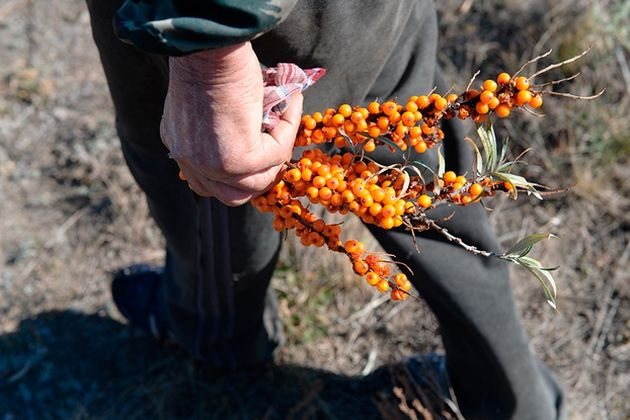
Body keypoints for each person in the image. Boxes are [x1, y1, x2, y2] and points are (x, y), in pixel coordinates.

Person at [86, 1, 566, 418]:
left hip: (250, 26)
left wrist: (209, 60)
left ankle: (217, 333)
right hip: (371, 12)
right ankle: (515, 402)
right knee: (422, 170)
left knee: (220, 186)